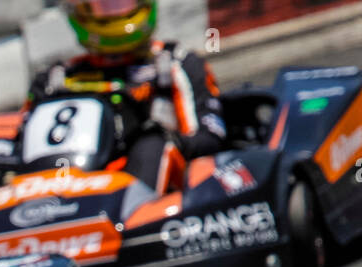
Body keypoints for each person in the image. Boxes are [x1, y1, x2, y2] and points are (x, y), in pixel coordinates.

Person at [27, 0, 226, 192]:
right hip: (69, 184)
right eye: (103, 6)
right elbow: (19, 145)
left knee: (151, 144)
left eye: (121, 4)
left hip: (150, 191)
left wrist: (165, 138)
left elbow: (210, 137)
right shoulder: (55, 79)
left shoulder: (174, 63)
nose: (114, 11)